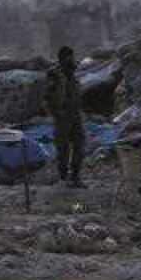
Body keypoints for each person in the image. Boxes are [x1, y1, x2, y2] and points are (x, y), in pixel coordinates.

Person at [44, 46, 86, 188]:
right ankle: (63, 176)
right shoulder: (54, 74)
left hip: (75, 114)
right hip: (62, 115)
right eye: (69, 57)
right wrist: (55, 113)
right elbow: (47, 97)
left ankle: (75, 176)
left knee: (80, 145)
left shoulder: (72, 73)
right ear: (62, 58)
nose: (72, 60)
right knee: (63, 147)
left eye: (72, 56)